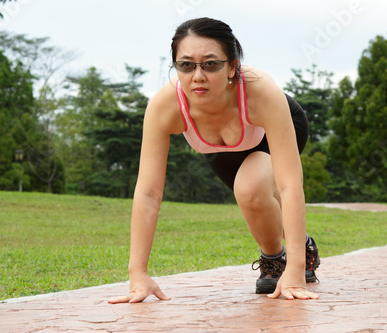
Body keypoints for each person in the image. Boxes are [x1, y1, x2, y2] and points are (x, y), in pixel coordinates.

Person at [108, 17, 320, 304]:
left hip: (277, 128)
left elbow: (290, 185)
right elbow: (148, 193)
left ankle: (287, 260)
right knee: (253, 195)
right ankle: (290, 251)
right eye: (186, 65)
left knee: (253, 188)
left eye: (210, 64)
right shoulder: (164, 106)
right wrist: (137, 273)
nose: (198, 76)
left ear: (232, 66)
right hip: (220, 147)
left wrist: (296, 270)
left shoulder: (262, 92)